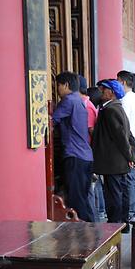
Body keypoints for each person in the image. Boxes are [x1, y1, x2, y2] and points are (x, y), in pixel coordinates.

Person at [52, 71, 95, 221]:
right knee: (82, 198)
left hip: (75, 156)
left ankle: (88, 233)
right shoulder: (78, 100)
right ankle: (93, 231)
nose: (57, 89)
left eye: (58, 85)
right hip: (85, 156)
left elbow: (51, 122)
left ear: (66, 85)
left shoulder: (68, 100)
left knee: (76, 200)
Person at [92, 79, 134, 227]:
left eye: (104, 90)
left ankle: (116, 223)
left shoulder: (111, 110)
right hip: (117, 160)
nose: (101, 92)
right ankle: (123, 222)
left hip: (114, 161)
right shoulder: (115, 108)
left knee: (114, 193)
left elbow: (121, 137)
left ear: (112, 93)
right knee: (119, 191)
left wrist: (130, 156)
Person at [117, 70, 135, 220]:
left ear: (123, 82)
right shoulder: (133, 97)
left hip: (130, 141)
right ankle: (132, 209)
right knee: (131, 176)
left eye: (118, 81)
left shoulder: (128, 99)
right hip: (134, 140)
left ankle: (131, 210)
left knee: (129, 176)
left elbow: (123, 123)